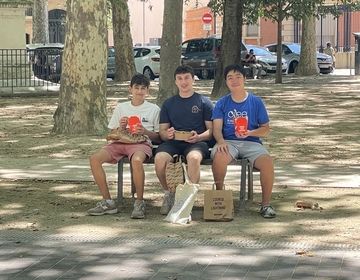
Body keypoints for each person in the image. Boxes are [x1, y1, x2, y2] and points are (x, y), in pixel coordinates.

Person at [88, 74, 160, 219]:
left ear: (148, 91)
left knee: (137, 161)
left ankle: (139, 202)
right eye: (136, 88)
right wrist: (121, 126)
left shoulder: (154, 109)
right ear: (130, 89)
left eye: (143, 88)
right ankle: (108, 201)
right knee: (94, 159)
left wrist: (144, 131)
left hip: (141, 142)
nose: (139, 91)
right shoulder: (122, 107)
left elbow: (159, 136)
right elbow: (112, 132)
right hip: (120, 141)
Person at [211, 64, 276, 218]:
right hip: (228, 141)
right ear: (226, 81)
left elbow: (265, 129)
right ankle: (220, 200)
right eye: (230, 78)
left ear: (245, 78)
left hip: (252, 142)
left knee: (267, 162)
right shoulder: (222, 103)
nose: (234, 81)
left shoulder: (256, 102)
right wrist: (220, 141)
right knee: (219, 156)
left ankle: (266, 205)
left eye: (238, 76)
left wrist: (251, 132)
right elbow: (216, 129)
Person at [154, 65, 214, 215]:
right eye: (180, 79)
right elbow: (162, 132)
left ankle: (188, 200)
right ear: (175, 82)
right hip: (173, 142)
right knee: (160, 158)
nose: (184, 82)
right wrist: (167, 134)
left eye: (187, 78)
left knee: (193, 158)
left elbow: (212, 131)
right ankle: (170, 194)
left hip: (197, 142)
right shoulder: (169, 104)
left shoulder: (204, 102)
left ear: (193, 79)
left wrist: (199, 136)